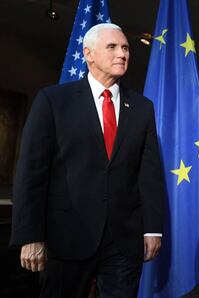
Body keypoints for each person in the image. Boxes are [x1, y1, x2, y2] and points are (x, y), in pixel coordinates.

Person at [10, 23, 165, 298]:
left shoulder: (142, 107)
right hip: (66, 239)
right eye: (113, 47)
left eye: (126, 48)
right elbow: (31, 172)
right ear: (89, 54)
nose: (122, 54)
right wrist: (29, 234)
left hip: (123, 241)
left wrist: (153, 229)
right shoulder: (54, 101)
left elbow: (148, 172)